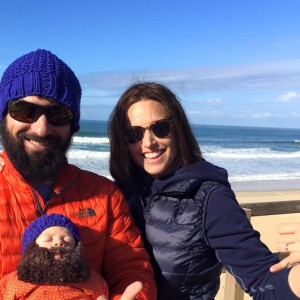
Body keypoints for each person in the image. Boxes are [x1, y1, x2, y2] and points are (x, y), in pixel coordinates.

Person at [108, 81, 300, 299]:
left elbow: (264, 282)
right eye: (134, 134)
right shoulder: (115, 194)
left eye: (160, 128)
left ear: (178, 129)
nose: (148, 142)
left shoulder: (209, 198)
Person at [0, 49, 156, 300]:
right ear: (3, 116)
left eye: (57, 115)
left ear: (72, 125)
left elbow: (133, 271)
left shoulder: (105, 195)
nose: (41, 128)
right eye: (25, 111)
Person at [0, 213, 109, 299]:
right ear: (30, 247)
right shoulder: (13, 282)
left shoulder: (90, 279)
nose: (58, 242)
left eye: (67, 239)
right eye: (48, 239)